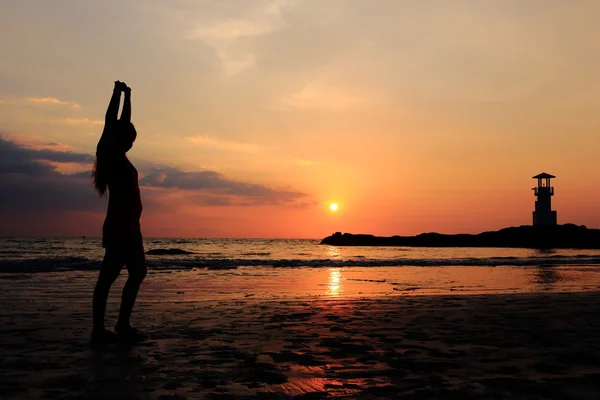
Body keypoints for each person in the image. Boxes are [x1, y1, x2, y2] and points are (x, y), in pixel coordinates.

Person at [91, 81, 146, 344]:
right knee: (108, 277)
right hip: (119, 227)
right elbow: (111, 121)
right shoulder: (109, 153)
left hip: (132, 227)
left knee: (138, 272)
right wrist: (117, 93)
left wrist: (130, 96)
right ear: (120, 138)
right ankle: (98, 330)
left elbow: (124, 121)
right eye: (130, 139)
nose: (132, 144)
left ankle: (123, 324)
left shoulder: (121, 155)